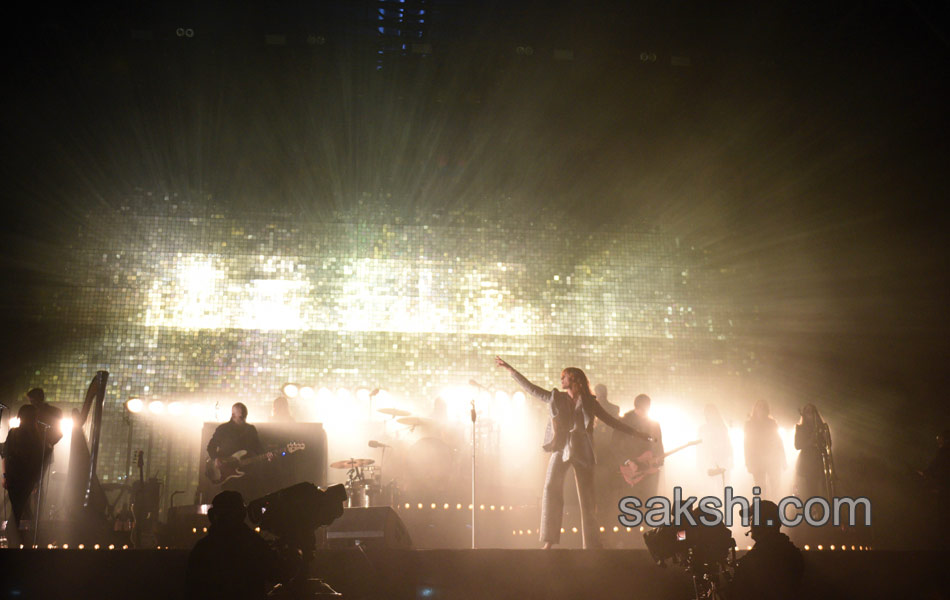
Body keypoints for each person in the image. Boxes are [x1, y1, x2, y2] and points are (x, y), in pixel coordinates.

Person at [494, 357, 650, 549]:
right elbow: (532, 389)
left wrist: (638, 434)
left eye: (564, 377)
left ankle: (591, 544)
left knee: (587, 497)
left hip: (583, 450)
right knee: (551, 488)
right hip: (561, 448)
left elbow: (611, 421)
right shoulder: (556, 397)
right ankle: (549, 541)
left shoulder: (589, 402)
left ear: (574, 379)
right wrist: (511, 370)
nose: (561, 380)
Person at [185, 490, 284, 600]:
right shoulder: (253, 544)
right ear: (242, 514)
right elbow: (276, 573)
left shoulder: (203, 548)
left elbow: (192, 588)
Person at [730, 500, 804, 600]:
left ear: (761, 523)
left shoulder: (755, 559)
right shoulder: (791, 552)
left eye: (751, 519)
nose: (749, 523)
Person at [2, 405, 46, 533]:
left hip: (23, 478)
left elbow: (38, 460)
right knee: (20, 509)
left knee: (21, 509)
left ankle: (16, 538)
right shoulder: (16, 433)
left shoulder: (37, 436)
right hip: (17, 478)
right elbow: (5, 454)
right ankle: (17, 538)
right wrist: (5, 475)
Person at [207, 403, 266, 497]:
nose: (243, 420)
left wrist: (267, 456)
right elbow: (211, 447)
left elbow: (258, 448)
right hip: (226, 475)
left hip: (247, 474)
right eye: (241, 417)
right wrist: (216, 459)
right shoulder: (223, 429)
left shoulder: (250, 429)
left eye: (244, 417)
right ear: (233, 415)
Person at [615, 394, 665, 501]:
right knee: (630, 505)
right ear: (636, 407)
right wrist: (628, 461)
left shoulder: (654, 424)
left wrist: (659, 460)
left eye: (646, 410)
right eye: (642, 410)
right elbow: (615, 445)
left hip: (649, 473)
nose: (644, 413)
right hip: (630, 472)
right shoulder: (624, 422)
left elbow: (658, 446)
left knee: (649, 504)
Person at [743, 400, 785, 500]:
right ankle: (762, 512)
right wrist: (748, 462)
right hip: (757, 460)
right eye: (759, 407)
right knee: (760, 488)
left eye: (763, 407)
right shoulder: (749, 424)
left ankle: (775, 510)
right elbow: (747, 444)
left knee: (775, 487)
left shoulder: (772, 423)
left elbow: (778, 442)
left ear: (767, 410)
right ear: (755, 409)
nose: (761, 410)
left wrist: (783, 459)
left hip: (772, 459)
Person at [794, 403, 831, 501]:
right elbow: (797, 446)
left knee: (825, 486)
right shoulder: (800, 428)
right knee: (811, 488)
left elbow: (829, 444)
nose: (809, 413)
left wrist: (823, 437)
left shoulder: (823, 427)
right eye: (807, 411)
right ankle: (814, 509)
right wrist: (810, 441)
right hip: (808, 462)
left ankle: (826, 508)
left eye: (811, 411)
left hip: (821, 460)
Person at [697, 404, 733, 494]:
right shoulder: (702, 429)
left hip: (722, 460)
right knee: (710, 487)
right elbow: (699, 447)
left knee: (723, 486)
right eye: (707, 412)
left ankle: (724, 505)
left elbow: (727, 444)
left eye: (711, 412)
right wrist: (701, 462)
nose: (709, 414)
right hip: (708, 462)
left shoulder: (722, 427)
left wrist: (731, 459)